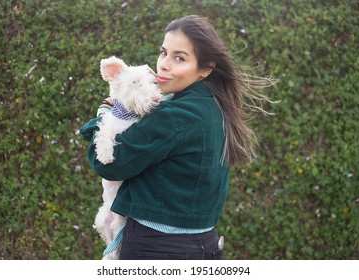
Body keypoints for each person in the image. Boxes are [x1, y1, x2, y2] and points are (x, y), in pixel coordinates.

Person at [80, 15, 275, 260]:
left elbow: (109, 163)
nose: (164, 64)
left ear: (206, 68)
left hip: (158, 249)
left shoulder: (175, 115)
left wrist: (106, 112)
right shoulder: (213, 106)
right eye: (163, 53)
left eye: (179, 58)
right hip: (203, 245)